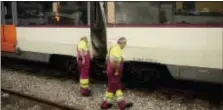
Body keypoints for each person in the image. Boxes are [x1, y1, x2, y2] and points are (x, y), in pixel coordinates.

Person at [100, 37, 133, 110]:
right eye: (125, 44)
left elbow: (107, 58)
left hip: (111, 71)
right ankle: (105, 105)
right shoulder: (117, 49)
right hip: (114, 72)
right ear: (122, 43)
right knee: (111, 88)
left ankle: (122, 104)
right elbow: (115, 62)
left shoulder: (113, 47)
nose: (125, 46)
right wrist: (117, 71)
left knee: (117, 87)